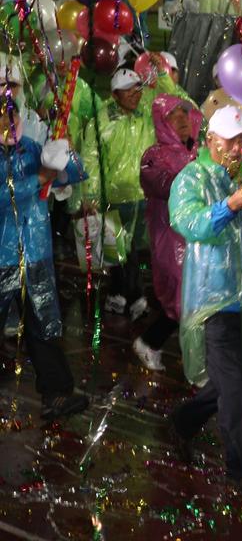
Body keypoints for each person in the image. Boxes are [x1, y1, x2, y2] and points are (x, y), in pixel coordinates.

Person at [167, 105, 242, 492]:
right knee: (234, 388)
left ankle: (183, 421)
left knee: (229, 381)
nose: (238, 148)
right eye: (232, 141)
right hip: (213, 299)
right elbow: (188, 222)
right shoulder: (192, 177)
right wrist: (230, 205)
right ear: (211, 141)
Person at [0, 105, 89, 420]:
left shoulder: (31, 148)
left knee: (41, 324)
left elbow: (75, 173)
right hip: (3, 258)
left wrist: (66, 151)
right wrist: (38, 178)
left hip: (34, 252)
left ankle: (57, 393)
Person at [79, 67, 156, 318]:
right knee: (121, 250)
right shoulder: (102, 121)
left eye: (137, 89)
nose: (135, 94)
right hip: (114, 196)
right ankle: (133, 295)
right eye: (128, 90)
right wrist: (90, 196)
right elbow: (90, 159)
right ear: (114, 95)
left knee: (130, 249)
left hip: (142, 195)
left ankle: (120, 294)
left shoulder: (145, 115)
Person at [134, 94, 204, 371]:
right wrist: (198, 176)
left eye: (184, 113)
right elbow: (163, 184)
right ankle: (154, 343)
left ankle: (153, 342)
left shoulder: (199, 151)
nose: (182, 119)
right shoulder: (154, 157)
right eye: (173, 115)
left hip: (199, 237)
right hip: (171, 239)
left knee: (195, 297)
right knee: (182, 298)